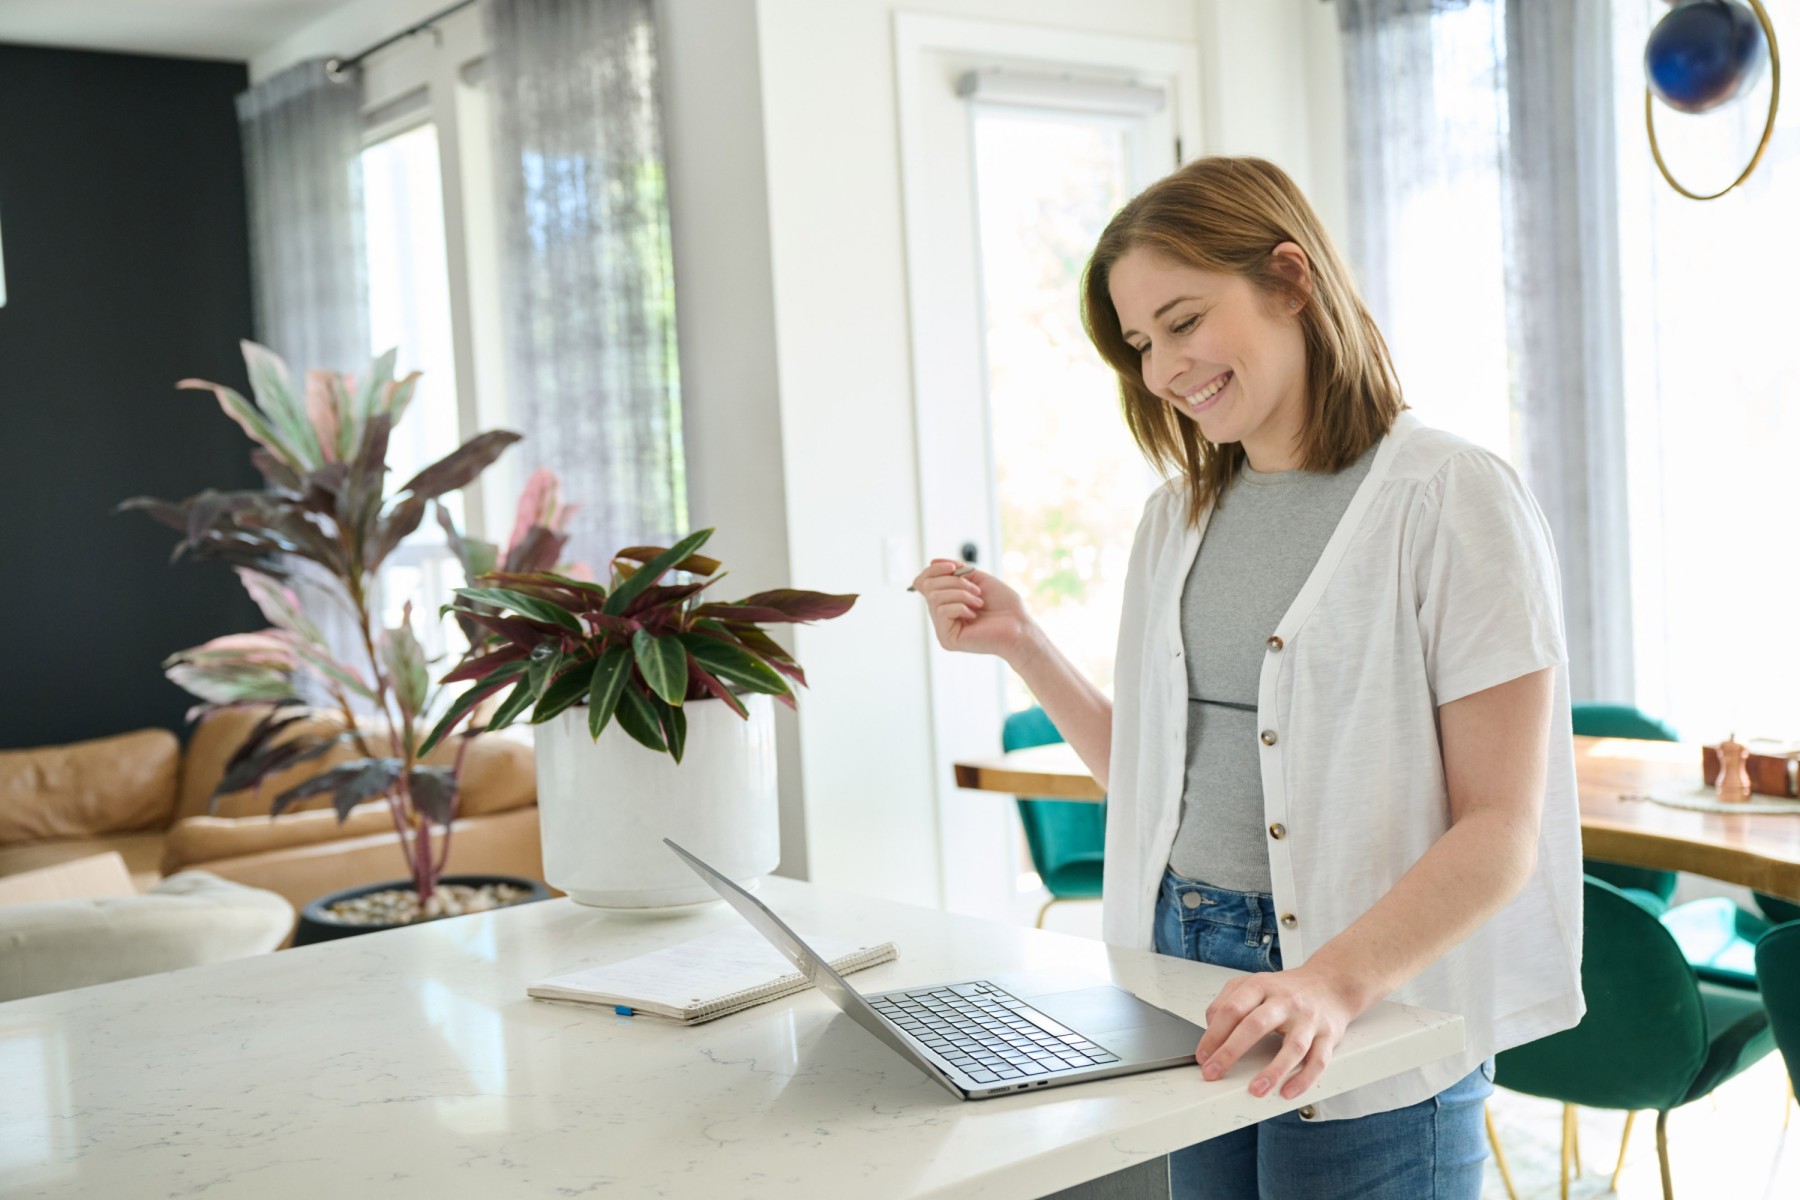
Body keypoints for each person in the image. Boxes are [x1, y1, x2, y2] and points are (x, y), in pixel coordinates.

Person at [911, 156, 1582, 1199]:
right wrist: (1024, 643)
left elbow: (1501, 830)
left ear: (1289, 279)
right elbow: (1154, 779)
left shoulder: (1450, 497)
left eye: (1183, 321)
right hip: (1184, 973)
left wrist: (1329, 983)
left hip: (1359, 989)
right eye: (1140, 344)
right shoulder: (1174, 518)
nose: (1164, 367)